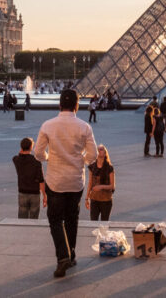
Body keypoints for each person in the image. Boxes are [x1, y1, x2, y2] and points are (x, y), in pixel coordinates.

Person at [34, 89, 98, 279]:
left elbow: (38, 154)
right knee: (72, 218)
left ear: (59, 105)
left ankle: (63, 257)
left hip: (55, 180)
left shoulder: (48, 125)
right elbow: (93, 156)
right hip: (76, 181)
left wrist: (48, 157)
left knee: (55, 220)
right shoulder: (84, 127)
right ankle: (72, 254)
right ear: (77, 106)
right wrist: (80, 160)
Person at [13, 137, 45, 219]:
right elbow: (41, 181)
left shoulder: (16, 160)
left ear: (21, 147)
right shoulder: (36, 161)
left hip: (22, 192)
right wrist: (45, 195)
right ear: (31, 147)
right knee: (34, 219)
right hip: (34, 193)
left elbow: (17, 156)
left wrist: (21, 152)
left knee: (22, 218)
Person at [86, 145, 115, 221]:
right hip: (94, 199)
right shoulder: (92, 167)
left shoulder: (109, 167)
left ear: (105, 153)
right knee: (93, 223)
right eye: (98, 149)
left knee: (104, 225)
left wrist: (101, 186)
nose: (99, 150)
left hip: (106, 200)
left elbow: (112, 186)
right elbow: (90, 183)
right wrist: (87, 198)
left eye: (101, 149)